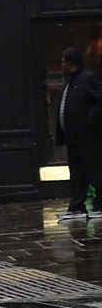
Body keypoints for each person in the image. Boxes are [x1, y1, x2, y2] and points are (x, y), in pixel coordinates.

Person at [55, 47, 102, 221]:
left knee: (95, 172)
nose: (61, 65)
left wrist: (91, 118)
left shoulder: (88, 78)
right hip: (73, 139)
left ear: (70, 62)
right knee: (77, 175)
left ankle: (100, 205)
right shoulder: (71, 81)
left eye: (63, 62)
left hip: (88, 138)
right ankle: (76, 208)